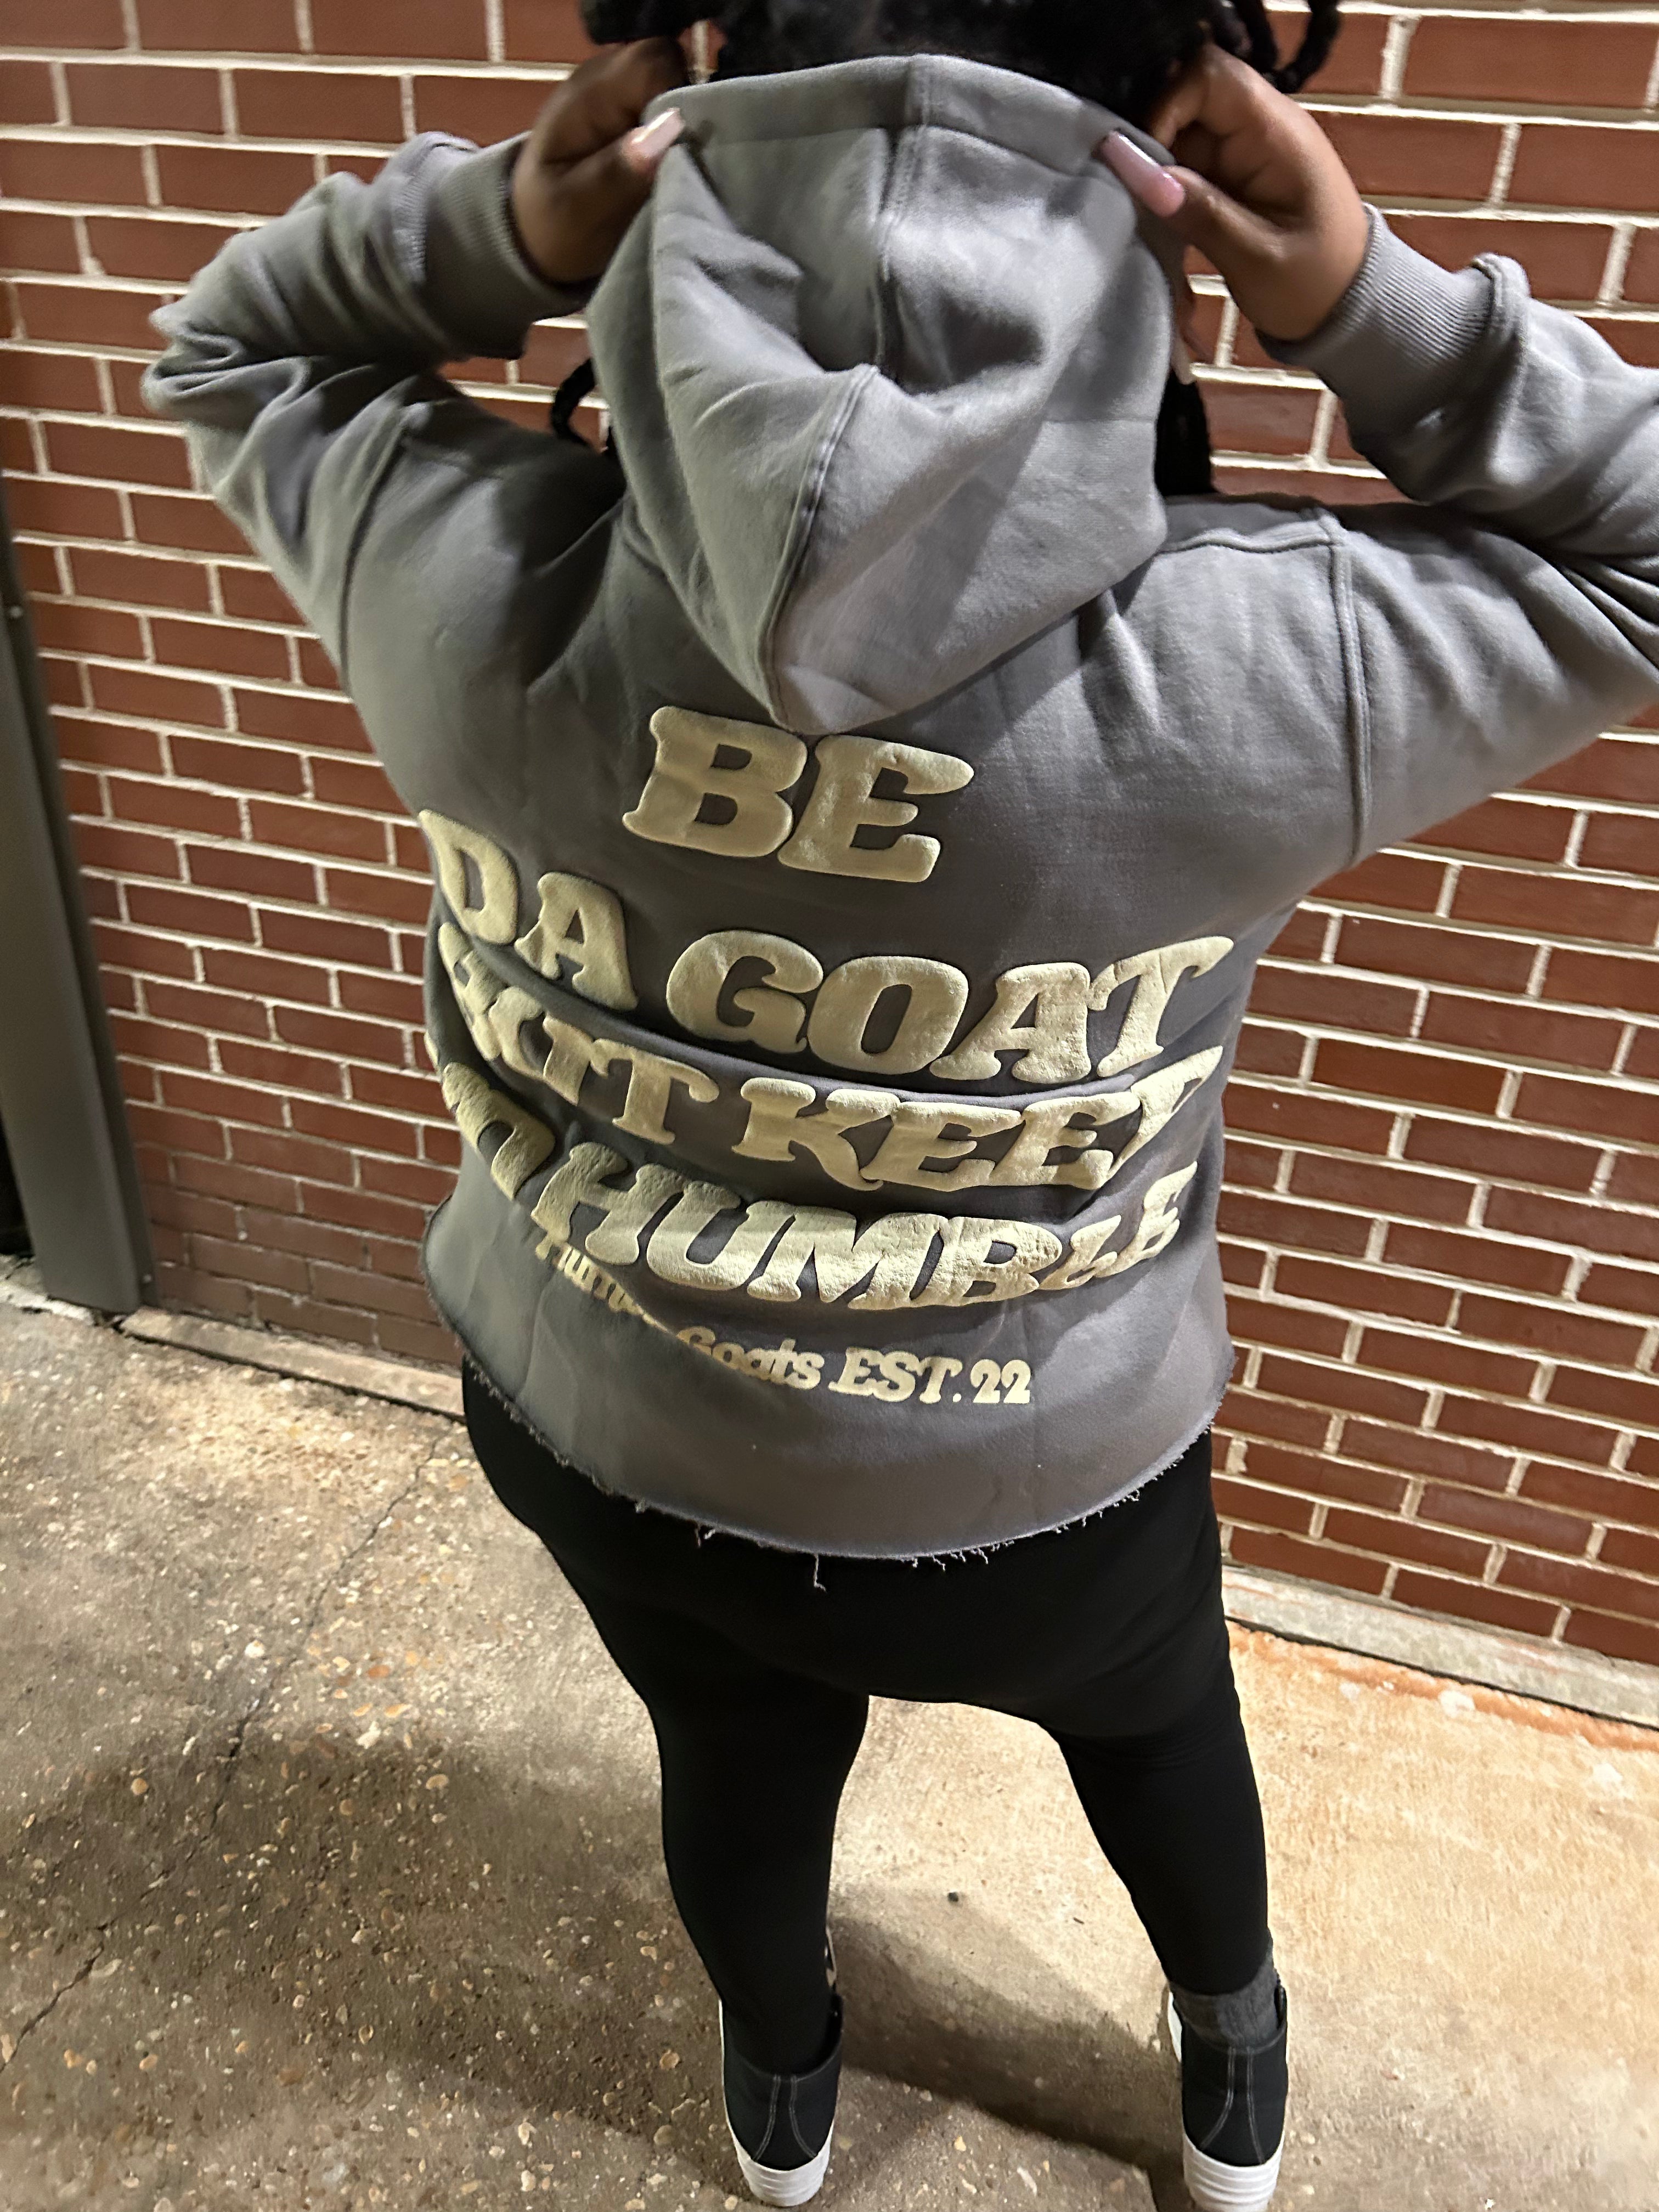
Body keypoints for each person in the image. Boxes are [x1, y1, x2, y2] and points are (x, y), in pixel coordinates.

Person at [145, 1, 1659, 2202]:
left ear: (678, 127)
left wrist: (498, 230)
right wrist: (1367, 305)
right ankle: (1231, 2066)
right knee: (1160, 1728)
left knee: (732, 1754)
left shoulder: (458, 571)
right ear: (1153, 161)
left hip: (610, 1430)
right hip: (1037, 1496)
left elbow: (226, 345)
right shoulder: (1260, 665)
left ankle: (785, 2082)